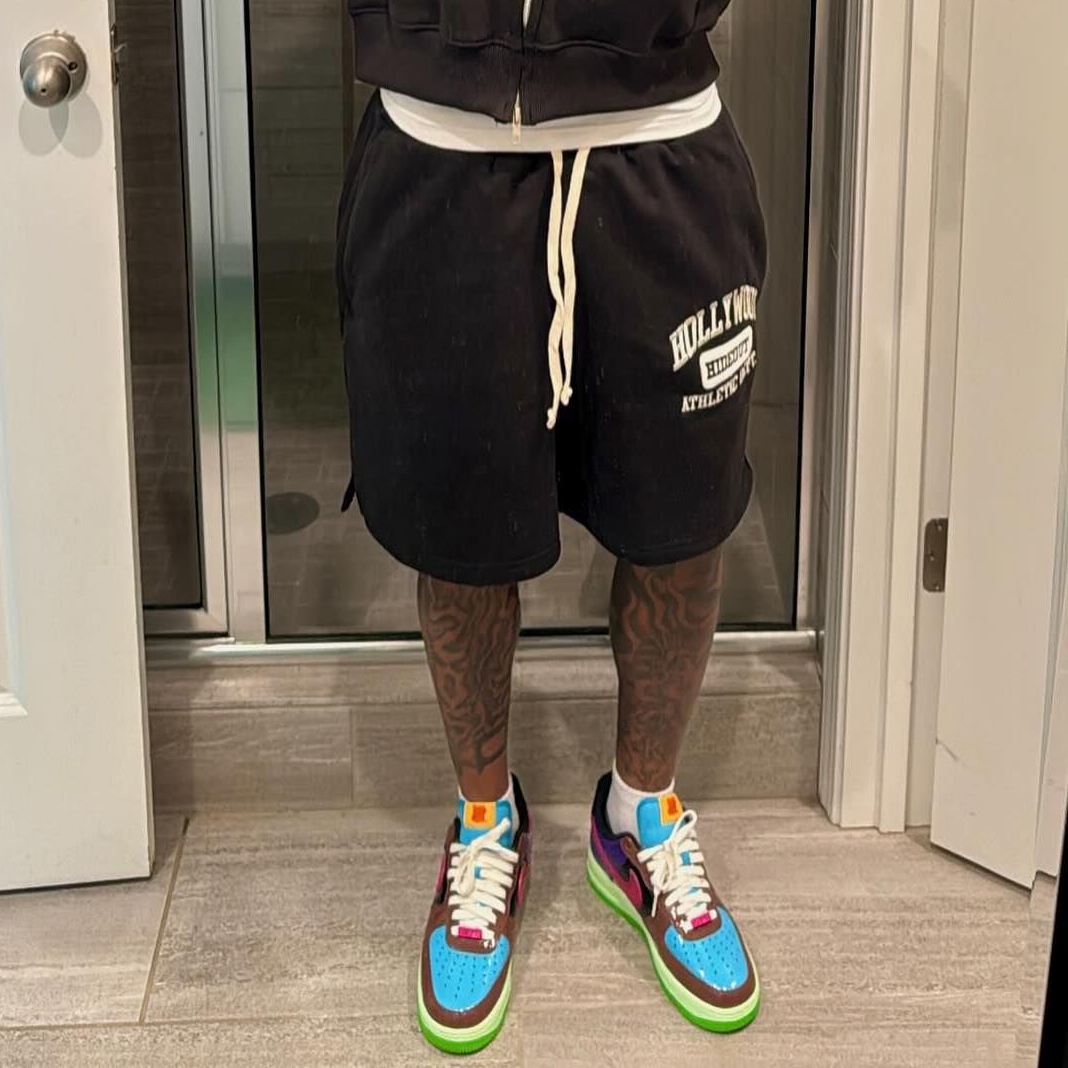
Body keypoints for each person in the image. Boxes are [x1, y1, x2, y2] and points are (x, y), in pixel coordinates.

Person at [336, 0, 767, 1054]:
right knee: (460, 537)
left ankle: (641, 815)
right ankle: (487, 821)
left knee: (682, 525)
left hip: (661, 134)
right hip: (440, 142)